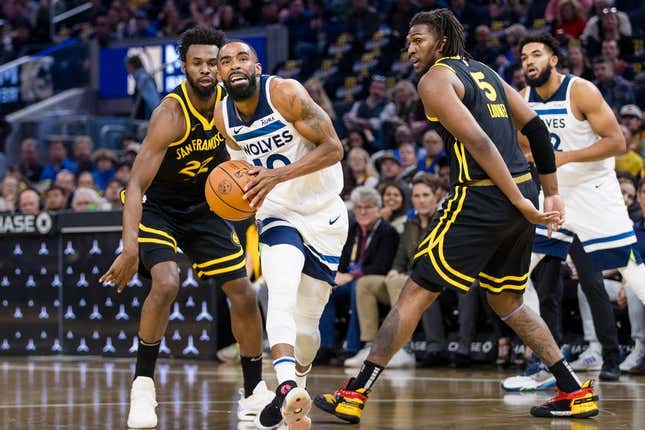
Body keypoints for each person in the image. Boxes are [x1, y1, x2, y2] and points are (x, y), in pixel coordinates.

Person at [315, 9, 597, 423]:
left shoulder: (434, 79)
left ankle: (354, 394)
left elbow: (481, 142)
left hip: (482, 198)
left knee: (413, 294)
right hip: (522, 189)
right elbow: (536, 130)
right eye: (408, 41)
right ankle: (573, 389)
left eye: (418, 39)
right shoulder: (484, 71)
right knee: (507, 299)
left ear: (442, 42)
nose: (409, 48)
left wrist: (519, 201)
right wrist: (546, 194)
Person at [99, 27, 268, 429]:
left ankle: (254, 390)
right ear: (185, 65)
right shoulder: (170, 114)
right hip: (158, 209)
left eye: (214, 62)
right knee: (168, 281)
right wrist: (129, 248)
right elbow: (135, 185)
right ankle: (142, 385)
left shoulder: (234, 104)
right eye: (199, 63)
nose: (208, 70)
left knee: (243, 292)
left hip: (205, 208)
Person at [213, 39, 349, 430]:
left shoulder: (286, 95)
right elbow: (242, 170)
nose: (233, 65)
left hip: (324, 213)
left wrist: (279, 174)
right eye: (225, 61)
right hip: (277, 213)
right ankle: (286, 383)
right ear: (220, 73)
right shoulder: (224, 116)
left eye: (242, 58)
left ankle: (298, 386)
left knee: (307, 326)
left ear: (257, 66)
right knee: (280, 290)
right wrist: (245, 193)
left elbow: (333, 147)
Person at [509, 33, 645, 385]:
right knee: (518, 273)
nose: (528, 62)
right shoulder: (522, 99)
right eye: (524, 56)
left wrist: (565, 157)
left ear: (554, 60)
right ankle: (545, 359)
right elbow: (524, 147)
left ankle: (610, 355)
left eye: (536, 54)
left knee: (629, 271)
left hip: (595, 193)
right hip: (552, 196)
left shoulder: (581, 91)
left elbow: (618, 141)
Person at [125, 54, 161, 120]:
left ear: (132, 66)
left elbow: (154, 102)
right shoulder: (141, 78)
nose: (127, 70)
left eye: (127, 67)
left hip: (146, 122)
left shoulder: (143, 79)